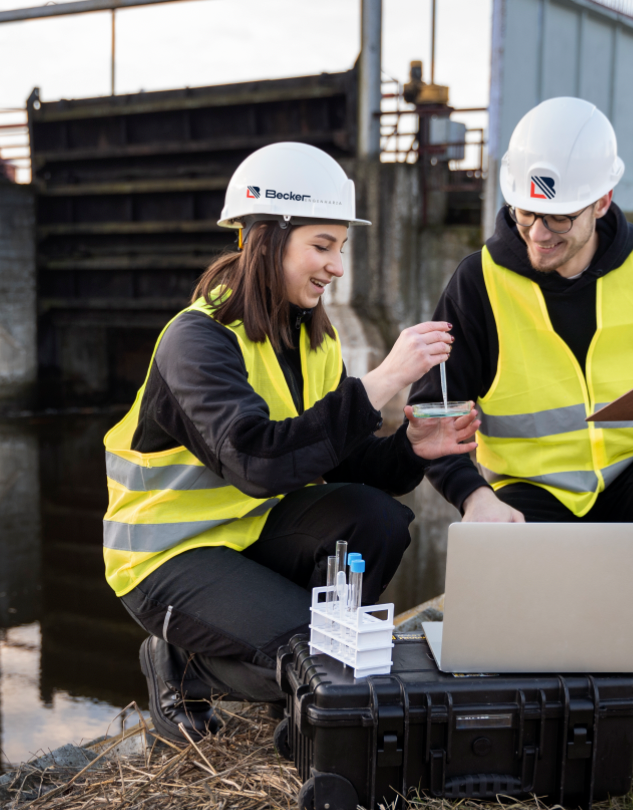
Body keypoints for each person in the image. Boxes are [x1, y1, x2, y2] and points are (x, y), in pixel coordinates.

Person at [104, 142, 479, 743]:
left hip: (250, 535)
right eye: (322, 246)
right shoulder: (196, 342)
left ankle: (304, 693)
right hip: (166, 558)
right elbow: (255, 461)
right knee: (318, 655)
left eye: (341, 248)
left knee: (378, 517)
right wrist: (383, 379)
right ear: (268, 239)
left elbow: (342, 461)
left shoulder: (312, 341)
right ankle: (179, 665)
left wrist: (413, 448)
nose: (336, 266)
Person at [408, 98, 633, 707]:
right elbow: (433, 412)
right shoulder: (478, 281)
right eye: (527, 212)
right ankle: (565, 648)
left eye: (560, 218)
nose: (539, 233)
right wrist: (473, 495)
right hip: (532, 500)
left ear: (602, 202)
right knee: (516, 646)